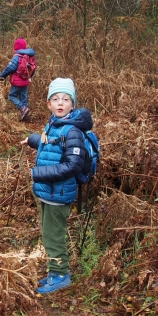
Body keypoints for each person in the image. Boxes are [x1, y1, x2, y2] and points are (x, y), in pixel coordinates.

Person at [20, 78, 93, 294]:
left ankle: (60, 275)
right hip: (47, 191)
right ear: (48, 104)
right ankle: (54, 271)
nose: (60, 103)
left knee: (54, 236)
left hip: (58, 193)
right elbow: (48, 142)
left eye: (65, 99)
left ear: (73, 104)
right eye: (55, 99)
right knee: (48, 233)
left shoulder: (72, 131)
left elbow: (72, 165)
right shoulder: (54, 123)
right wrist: (33, 139)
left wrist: (37, 174)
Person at [0, 37, 36, 121]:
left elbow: (9, 68)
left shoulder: (17, 56)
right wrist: (28, 77)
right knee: (23, 98)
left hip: (16, 82)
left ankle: (23, 109)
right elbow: (33, 69)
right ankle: (25, 117)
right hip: (25, 81)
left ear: (16, 47)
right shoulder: (29, 56)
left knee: (11, 96)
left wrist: (1, 76)